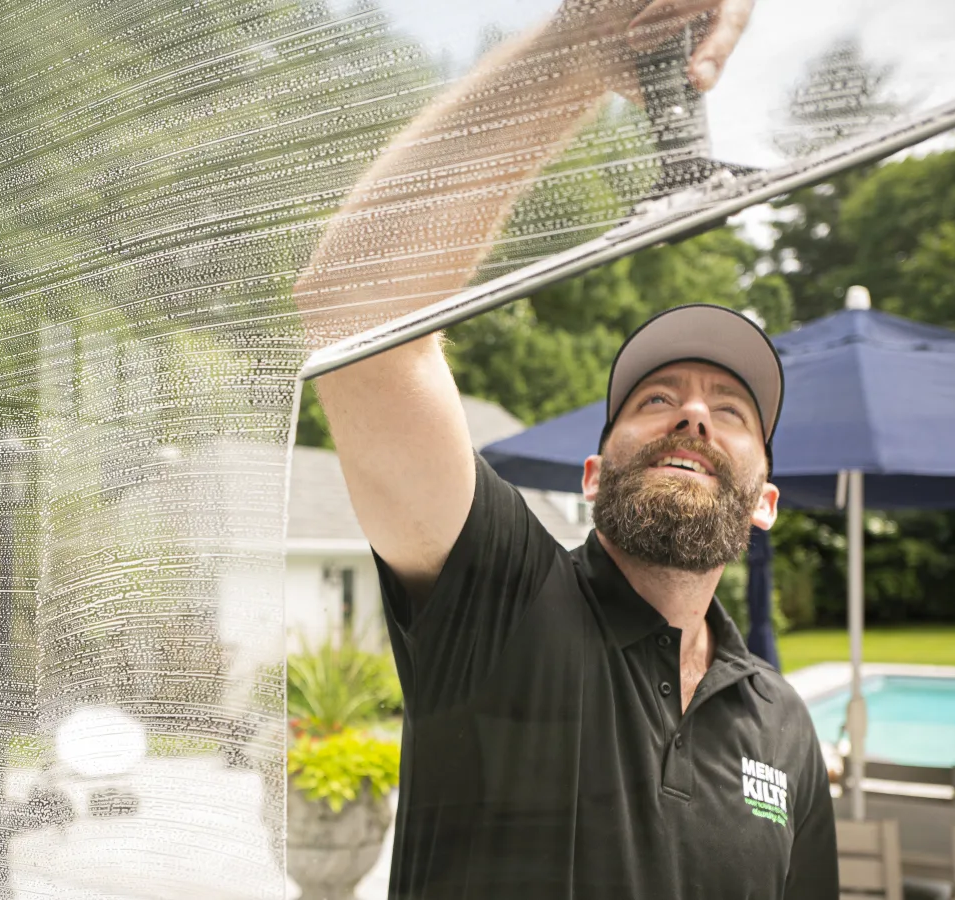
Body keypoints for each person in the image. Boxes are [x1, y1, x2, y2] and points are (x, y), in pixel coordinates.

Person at [292, 0, 839, 897]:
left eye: (731, 410)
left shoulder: (781, 722)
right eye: (656, 399)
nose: (693, 416)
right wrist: (585, 43)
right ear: (594, 477)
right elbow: (356, 316)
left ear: (765, 501)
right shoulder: (503, 595)